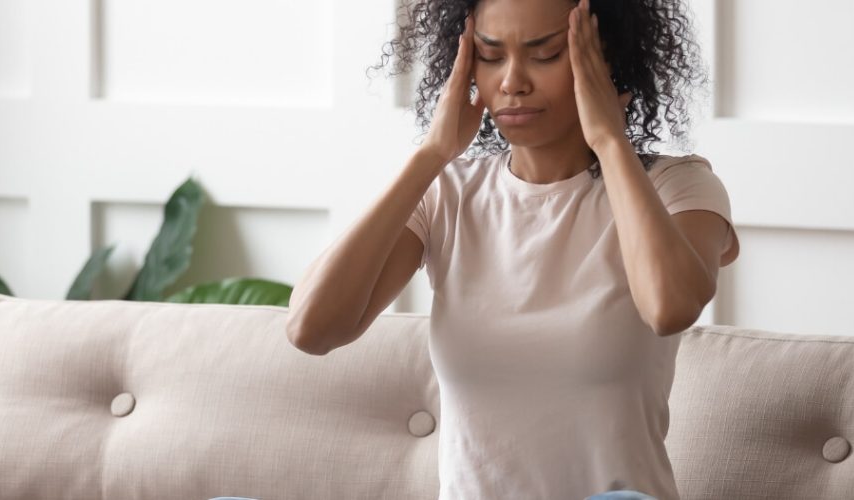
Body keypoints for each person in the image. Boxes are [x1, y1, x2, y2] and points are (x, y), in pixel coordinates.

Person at [285, 0, 739, 498]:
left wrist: (611, 142)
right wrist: (430, 156)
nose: (512, 82)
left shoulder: (677, 187)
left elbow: (669, 307)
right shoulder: (449, 194)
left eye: (544, 55)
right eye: (490, 56)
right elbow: (311, 328)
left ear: (604, 58)